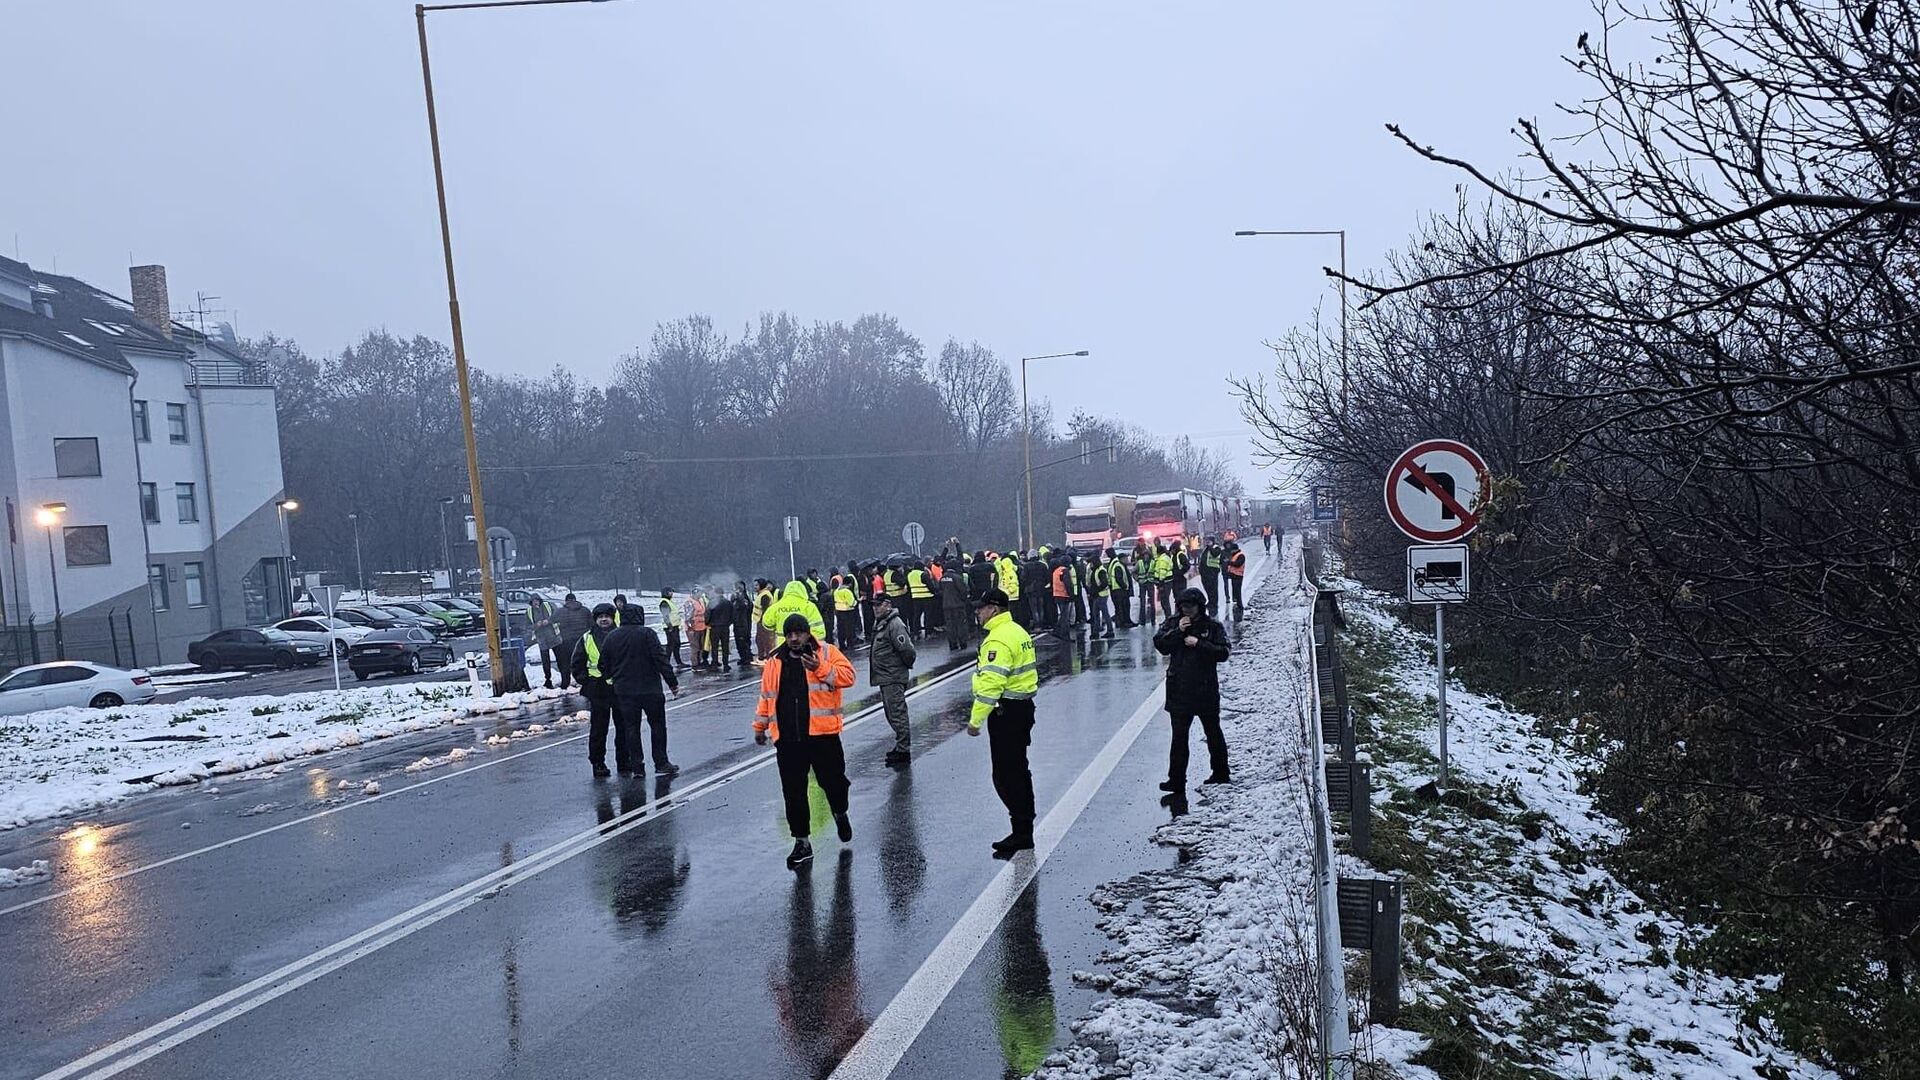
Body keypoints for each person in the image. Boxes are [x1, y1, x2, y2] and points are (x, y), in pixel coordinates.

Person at [755, 612, 857, 868]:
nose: (793, 639)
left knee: (834, 783)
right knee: (793, 792)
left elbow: (849, 677)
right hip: (789, 740)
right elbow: (766, 697)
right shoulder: (775, 662)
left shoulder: (826, 653)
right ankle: (802, 841)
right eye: (789, 634)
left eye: (798, 633)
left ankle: (840, 812)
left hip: (823, 736)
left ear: (807, 633)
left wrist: (820, 669)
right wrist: (760, 726)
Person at [968, 588, 1040, 856]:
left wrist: (975, 720)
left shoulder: (996, 640)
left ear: (994, 609)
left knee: (1006, 775)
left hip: (1006, 713)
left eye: (982, 607)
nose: (977, 612)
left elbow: (991, 685)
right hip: (1021, 709)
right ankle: (1024, 827)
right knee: (1018, 770)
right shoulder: (1017, 631)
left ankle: (1022, 831)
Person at [1155, 588, 1231, 792]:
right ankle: (1176, 779)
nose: (1187, 611)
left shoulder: (1212, 626)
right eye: (1183, 607)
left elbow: (1223, 652)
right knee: (1179, 737)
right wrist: (1178, 632)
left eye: (1191, 607)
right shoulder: (1173, 623)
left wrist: (1199, 644)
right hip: (1179, 690)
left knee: (1213, 732)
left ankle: (1221, 773)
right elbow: (1160, 644)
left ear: (1199, 607)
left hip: (1205, 689)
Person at [602, 603, 683, 776]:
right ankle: (661, 762)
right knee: (657, 725)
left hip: (624, 691)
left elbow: (604, 665)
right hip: (650, 688)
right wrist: (672, 683)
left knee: (631, 728)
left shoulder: (611, 637)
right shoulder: (647, 634)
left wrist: (613, 677)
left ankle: (637, 765)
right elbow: (660, 659)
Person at [571, 603, 623, 777]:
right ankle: (598, 763)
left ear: (612, 617)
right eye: (600, 617)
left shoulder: (621, 635)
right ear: (595, 619)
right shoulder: (587, 638)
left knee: (623, 727)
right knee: (599, 729)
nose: (603, 619)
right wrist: (586, 681)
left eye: (607, 616)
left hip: (618, 687)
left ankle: (624, 761)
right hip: (597, 689)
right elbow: (577, 663)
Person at [869, 594, 917, 764]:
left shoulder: (895, 625)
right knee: (891, 713)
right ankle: (900, 746)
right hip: (885, 677)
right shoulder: (881, 623)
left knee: (897, 713)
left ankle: (904, 750)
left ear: (887, 605)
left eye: (878, 605)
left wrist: (900, 669)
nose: (875, 608)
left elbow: (907, 651)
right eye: (873, 605)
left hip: (893, 676)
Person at [763, 579, 828, 642]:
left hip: (783, 645)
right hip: (803, 645)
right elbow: (818, 628)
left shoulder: (777, 606)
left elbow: (767, 623)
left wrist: (778, 625)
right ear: (803, 591)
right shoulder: (808, 606)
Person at [553, 592, 594, 691]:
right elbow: (592, 625)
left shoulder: (560, 611)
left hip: (565, 642)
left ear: (566, 601)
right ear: (575, 600)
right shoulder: (585, 610)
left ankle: (565, 684)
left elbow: (550, 622)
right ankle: (585, 682)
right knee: (583, 662)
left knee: (565, 663)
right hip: (582, 641)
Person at [527, 594, 563, 689]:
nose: (536, 602)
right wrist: (536, 625)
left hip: (554, 636)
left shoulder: (548, 606)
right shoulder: (529, 611)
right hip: (542, 639)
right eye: (534, 601)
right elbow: (528, 625)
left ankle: (564, 677)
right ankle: (548, 680)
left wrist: (548, 621)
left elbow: (557, 616)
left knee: (560, 658)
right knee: (545, 661)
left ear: (540, 600)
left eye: (537, 600)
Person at [940, 557, 972, 651]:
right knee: (961, 624)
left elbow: (940, 590)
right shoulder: (957, 577)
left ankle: (952, 644)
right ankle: (962, 643)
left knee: (950, 625)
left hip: (946, 605)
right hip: (958, 605)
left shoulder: (942, 578)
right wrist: (963, 600)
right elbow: (963, 591)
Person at [658, 588, 688, 672]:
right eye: (670, 592)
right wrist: (669, 626)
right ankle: (666, 663)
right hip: (670, 627)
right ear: (665, 593)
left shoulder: (669, 601)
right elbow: (665, 615)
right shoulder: (664, 602)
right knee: (671, 645)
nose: (672, 593)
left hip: (675, 626)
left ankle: (679, 662)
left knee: (676, 644)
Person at [708, 589, 736, 672]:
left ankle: (714, 662)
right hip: (725, 627)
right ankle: (726, 663)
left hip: (714, 627)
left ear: (716, 593)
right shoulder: (728, 603)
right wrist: (729, 623)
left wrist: (708, 622)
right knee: (725, 646)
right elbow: (733, 615)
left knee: (714, 646)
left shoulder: (712, 602)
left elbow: (707, 614)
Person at [1087, 552, 1113, 639]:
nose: (1090, 564)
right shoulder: (1096, 570)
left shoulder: (1100, 570)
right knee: (1096, 614)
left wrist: (1096, 591)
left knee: (1104, 614)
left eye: (1091, 562)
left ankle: (1109, 631)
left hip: (1101, 595)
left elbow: (1104, 583)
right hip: (1097, 595)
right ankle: (1096, 632)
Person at [1107, 548, 1134, 628]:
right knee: (1122, 607)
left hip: (1118, 589)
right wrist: (1125, 586)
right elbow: (1119, 578)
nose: (1127, 560)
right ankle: (1123, 622)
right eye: (1125, 558)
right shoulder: (1118, 565)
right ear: (1122, 559)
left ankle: (1125, 621)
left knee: (1123, 607)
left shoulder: (1117, 563)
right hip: (1119, 590)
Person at [907, 561, 934, 639]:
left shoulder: (910, 575)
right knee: (928, 615)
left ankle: (916, 633)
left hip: (915, 597)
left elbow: (909, 587)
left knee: (917, 615)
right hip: (927, 596)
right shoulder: (923, 574)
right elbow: (930, 586)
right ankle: (928, 633)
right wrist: (934, 592)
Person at [832, 576, 861, 648]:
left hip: (839, 612)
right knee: (849, 629)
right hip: (848, 612)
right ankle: (850, 644)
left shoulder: (837, 590)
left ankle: (842, 644)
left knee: (841, 629)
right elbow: (852, 603)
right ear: (849, 583)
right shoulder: (847, 591)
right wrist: (858, 601)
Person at [733, 581, 755, 669]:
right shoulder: (746, 597)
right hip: (744, 622)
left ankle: (745, 657)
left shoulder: (741, 597)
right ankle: (746, 656)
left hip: (741, 623)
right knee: (744, 640)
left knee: (742, 641)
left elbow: (742, 606)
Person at [1200, 537, 1224, 616]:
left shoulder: (1216, 548)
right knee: (1207, 587)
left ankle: (1214, 603)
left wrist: (1210, 547)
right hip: (1205, 572)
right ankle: (1210, 601)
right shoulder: (1206, 549)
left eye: (1208, 541)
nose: (1206, 542)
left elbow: (1215, 554)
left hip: (1212, 572)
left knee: (1213, 588)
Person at [754, 579, 777, 663]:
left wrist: (763, 621)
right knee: (760, 640)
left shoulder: (764, 595)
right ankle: (763, 657)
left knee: (765, 640)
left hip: (763, 621)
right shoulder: (762, 594)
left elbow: (765, 610)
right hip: (760, 621)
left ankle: (766, 658)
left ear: (761, 586)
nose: (755, 587)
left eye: (756, 585)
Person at [1224, 541, 1247, 618]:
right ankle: (1238, 604)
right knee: (1235, 591)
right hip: (1234, 575)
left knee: (1238, 591)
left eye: (1232, 550)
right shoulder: (1234, 555)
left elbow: (1238, 564)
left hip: (1238, 576)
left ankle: (1240, 606)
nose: (1230, 551)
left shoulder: (1241, 555)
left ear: (1235, 549)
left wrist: (1229, 562)